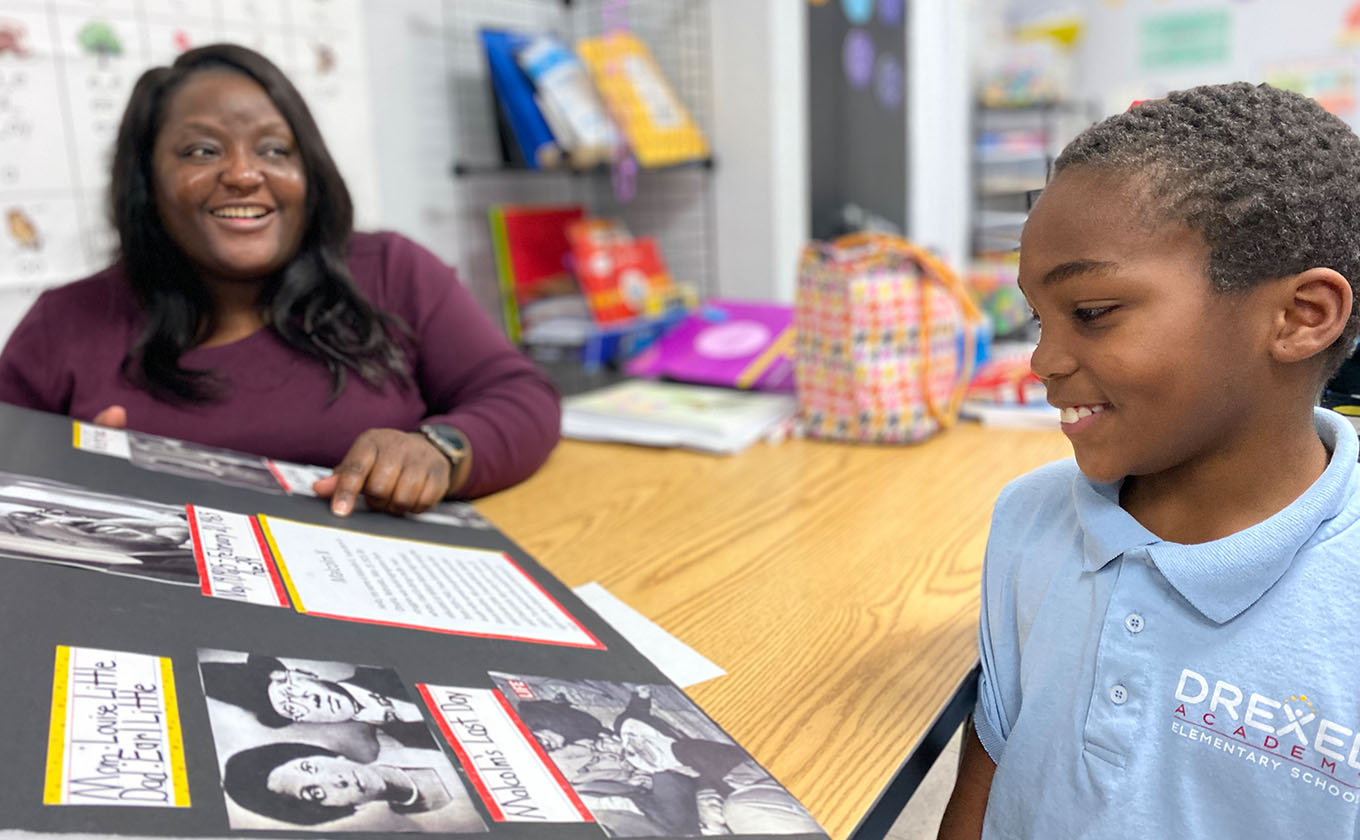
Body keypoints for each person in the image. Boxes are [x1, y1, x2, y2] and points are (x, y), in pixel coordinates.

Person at [938, 83, 1360, 839]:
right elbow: (994, 761)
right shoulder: (1029, 519)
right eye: (1041, 316)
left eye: (1092, 313)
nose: (1043, 360)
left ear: (1301, 317)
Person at [0, 43, 560, 515]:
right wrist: (65, 479)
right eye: (202, 150)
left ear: (307, 173)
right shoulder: (64, 322)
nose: (244, 174)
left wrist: (439, 450)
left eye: (274, 150)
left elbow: (519, 395)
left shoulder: (390, 270)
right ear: (146, 179)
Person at [200, 654, 432, 747]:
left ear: (305, 673)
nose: (310, 700)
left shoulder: (386, 665)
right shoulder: (408, 743)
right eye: (290, 707)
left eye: (292, 686)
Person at [222, 742, 452, 826]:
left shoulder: (405, 733)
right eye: (315, 793)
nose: (337, 780)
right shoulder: (439, 825)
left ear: (327, 755)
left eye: (309, 768)